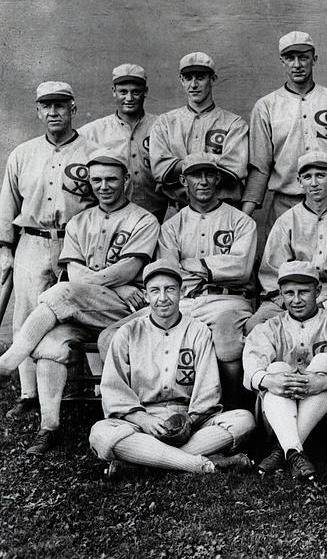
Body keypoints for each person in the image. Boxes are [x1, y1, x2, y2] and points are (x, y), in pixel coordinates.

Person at [0, 148, 159, 455]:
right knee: (49, 347)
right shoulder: (79, 221)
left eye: (111, 179)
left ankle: (7, 363)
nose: (103, 186)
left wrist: (120, 287)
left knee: (63, 293)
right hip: (84, 309)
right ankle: (49, 427)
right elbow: (73, 270)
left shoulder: (144, 220)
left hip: (124, 313)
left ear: (126, 180)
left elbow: (128, 268)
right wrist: (117, 286)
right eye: (97, 180)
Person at [97, 152, 257, 409]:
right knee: (112, 335)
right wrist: (214, 265)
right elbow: (170, 273)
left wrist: (190, 264)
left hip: (227, 300)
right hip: (182, 301)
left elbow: (240, 269)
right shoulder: (171, 226)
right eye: (195, 175)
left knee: (227, 345)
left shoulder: (241, 222)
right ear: (184, 180)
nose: (202, 181)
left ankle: (231, 414)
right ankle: (134, 409)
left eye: (208, 174)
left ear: (217, 178)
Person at [88, 260, 255, 476]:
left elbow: (207, 392)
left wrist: (189, 421)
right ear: (146, 296)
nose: (163, 298)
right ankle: (200, 465)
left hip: (188, 420)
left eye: (170, 289)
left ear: (181, 292)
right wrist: (143, 420)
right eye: (155, 291)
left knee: (244, 420)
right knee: (99, 433)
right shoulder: (128, 333)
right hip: (143, 421)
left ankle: (143, 464)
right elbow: (114, 393)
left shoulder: (198, 331)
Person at [0, 81, 99, 419]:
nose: (54, 111)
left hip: (78, 241)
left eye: (61, 105)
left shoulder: (93, 151)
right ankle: (29, 395)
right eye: (47, 106)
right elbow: (7, 205)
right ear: (38, 110)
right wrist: (5, 248)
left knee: (80, 308)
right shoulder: (23, 153)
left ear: (73, 108)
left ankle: (91, 384)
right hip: (32, 239)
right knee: (26, 314)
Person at [243, 261, 327, 480]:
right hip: (278, 412)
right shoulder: (270, 326)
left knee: (325, 362)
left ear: (318, 291)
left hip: (323, 413)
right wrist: (271, 380)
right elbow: (252, 368)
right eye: (289, 293)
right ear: (280, 294)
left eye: (304, 292)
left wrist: (324, 382)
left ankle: (283, 449)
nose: (296, 300)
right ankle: (294, 451)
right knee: (276, 368)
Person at [242, 31, 327, 220]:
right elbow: (260, 166)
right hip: (288, 204)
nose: (297, 65)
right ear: (282, 61)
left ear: (314, 59)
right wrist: (242, 217)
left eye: (303, 57)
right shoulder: (266, 106)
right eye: (290, 58)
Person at [248, 151, 327, 333]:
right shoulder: (286, 221)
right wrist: (293, 303)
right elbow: (271, 275)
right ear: (299, 181)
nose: (314, 183)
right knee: (256, 326)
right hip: (293, 295)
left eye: (320, 176)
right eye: (307, 177)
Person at [149, 52, 248, 207]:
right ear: (181, 80)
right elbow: (160, 169)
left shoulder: (234, 123)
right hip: (178, 209)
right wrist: (213, 162)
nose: (193, 85)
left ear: (212, 79)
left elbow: (235, 170)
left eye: (200, 78)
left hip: (223, 207)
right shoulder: (165, 122)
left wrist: (181, 165)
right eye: (188, 78)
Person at [79, 63, 168, 221]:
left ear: (145, 92)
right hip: (110, 218)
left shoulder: (163, 126)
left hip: (157, 214)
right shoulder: (92, 132)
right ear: (114, 91)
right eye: (123, 92)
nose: (129, 98)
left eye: (136, 92)